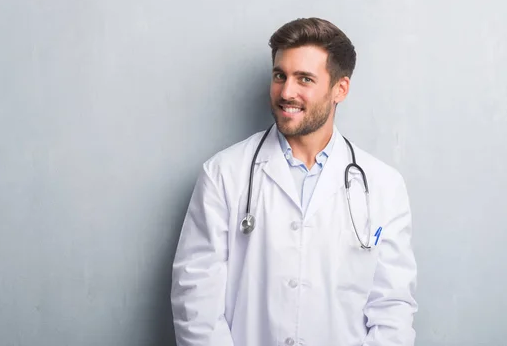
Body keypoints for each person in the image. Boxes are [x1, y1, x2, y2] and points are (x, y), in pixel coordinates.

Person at [170, 17, 417, 346]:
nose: (286, 92)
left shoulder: (383, 186)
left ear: (339, 89)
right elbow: (195, 301)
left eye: (305, 79)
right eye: (279, 76)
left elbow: (392, 308)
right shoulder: (224, 174)